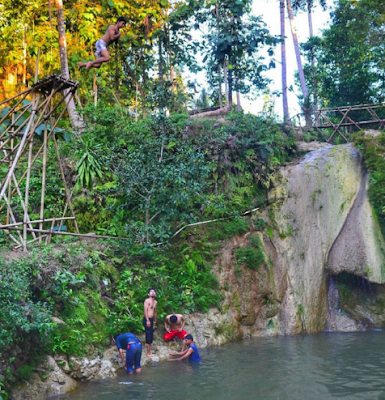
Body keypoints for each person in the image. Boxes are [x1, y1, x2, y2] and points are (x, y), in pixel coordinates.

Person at [143, 288, 157, 357]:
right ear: (149, 294)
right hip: (147, 319)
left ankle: (147, 344)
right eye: (151, 292)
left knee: (150, 333)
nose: (152, 292)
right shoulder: (147, 301)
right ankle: (148, 353)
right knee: (149, 335)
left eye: (153, 291)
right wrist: (147, 320)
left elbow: (155, 312)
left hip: (151, 319)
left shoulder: (155, 302)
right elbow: (145, 310)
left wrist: (154, 321)